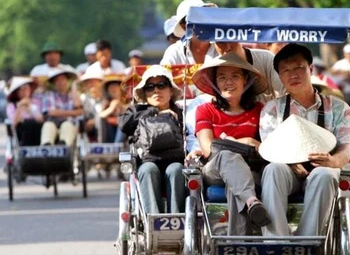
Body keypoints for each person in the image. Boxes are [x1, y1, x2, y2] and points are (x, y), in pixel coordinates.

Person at [259, 43, 350, 237]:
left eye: (298, 68)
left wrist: (333, 161)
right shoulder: (272, 109)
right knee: (272, 169)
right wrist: (291, 162)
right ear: (279, 76)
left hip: (324, 168)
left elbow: (348, 148)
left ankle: (308, 244)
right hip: (287, 170)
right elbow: (270, 149)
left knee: (325, 175)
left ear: (310, 69)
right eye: (286, 70)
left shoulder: (338, 108)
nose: (293, 74)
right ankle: (277, 245)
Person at [187, 52, 271, 236]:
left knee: (235, 185)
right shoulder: (205, 110)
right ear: (215, 83)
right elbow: (209, 148)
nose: (228, 82)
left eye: (235, 76)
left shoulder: (260, 111)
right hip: (215, 168)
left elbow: (267, 147)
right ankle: (252, 202)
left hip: (250, 171)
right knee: (227, 156)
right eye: (222, 77)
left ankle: (239, 244)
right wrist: (247, 142)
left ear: (245, 81)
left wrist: (238, 143)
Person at [119, 65, 185, 214]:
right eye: (150, 87)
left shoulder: (182, 113)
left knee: (176, 170)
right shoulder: (137, 112)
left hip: (176, 162)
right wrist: (155, 111)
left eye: (161, 85)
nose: (156, 90)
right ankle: (154, 223)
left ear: (170, 90)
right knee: (149, 170)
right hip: (147, 163)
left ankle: (177, 222)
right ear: (145, 92)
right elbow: (124, 124)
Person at [213, 41, 286, 101]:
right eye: (221, 42)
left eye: (232, 41)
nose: (228, 47)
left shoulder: (266, 58)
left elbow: (284, 93)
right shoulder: (211, 67)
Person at [160, 0, 218, 65]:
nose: (203, 22)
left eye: (204, 16)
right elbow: (164, 73)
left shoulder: (220, 48)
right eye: (196, 18)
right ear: (184, 26)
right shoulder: (175, 52)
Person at [41, 67, 83, 146]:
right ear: (53, 83)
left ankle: (63, 146)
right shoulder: (49, 95)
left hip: (69, 126)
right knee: (48, 125)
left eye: (63, 79)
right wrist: (73, 113)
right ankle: (46, 147)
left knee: (67, 125)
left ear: (67, 81)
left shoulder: (73, 96)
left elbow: (79, 109)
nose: (61, 82)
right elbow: (51, 112)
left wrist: (74, 86)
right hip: (53, 124)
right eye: (58, 80)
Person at [6, 76, 43, 145]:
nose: (24, 92)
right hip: (22, 132)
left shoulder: (37, 102)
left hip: (37, 130)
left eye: (26, 89)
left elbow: (40, 119)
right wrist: (20, 107)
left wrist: (30, 107)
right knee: (26, 125)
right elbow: (14, 123)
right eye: (21, 89)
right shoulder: (12, 106)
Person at [101, 74, 128, 143]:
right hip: (109, 132)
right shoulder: (106, 103)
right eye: (111, 87)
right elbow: (100, 116)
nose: (113, 89)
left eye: (115, 86)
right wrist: (111, 108)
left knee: (123, 121)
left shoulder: (127, 102)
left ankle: (117, 145)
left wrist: (122, 107)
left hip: (123, 134)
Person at [79, 69, 104, 143]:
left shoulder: (106, 99)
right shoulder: (83, 98)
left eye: (94, 81)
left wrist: (95, 121)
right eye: (89, 82)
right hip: (87, 126)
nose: (91, 84)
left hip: (103, 127)